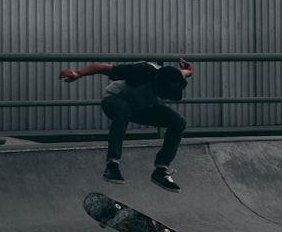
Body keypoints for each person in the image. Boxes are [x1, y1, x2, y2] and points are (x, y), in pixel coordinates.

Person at [59, 58, 193, 192]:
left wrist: (188, 70)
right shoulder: (140, 71)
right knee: (124, 110)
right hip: (115, 101)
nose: (163, 96)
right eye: (162, 93)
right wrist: (78, 73)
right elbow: (103, 68)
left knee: (178, 122)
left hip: (140, 109)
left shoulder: (172, 77)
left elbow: (184, 73)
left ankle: (161, 170)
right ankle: (112, 165)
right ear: (157, 81)